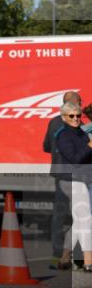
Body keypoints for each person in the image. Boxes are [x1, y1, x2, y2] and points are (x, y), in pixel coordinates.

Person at [45, 91, 82, 270]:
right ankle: (70, 256)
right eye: (79, 101)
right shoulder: (76, 123)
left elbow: (45, 146)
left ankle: (56, 256)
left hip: (59, 176)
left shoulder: (53, 122)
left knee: (58, 218)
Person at [55, 101, 92, 273]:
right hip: (72, 180)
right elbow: (75, 159)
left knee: (79, 220)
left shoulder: (81, 133)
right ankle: (88, 261)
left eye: (78, 115)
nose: (76, 118)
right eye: (72, 116)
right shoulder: (63, 135)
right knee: (85, 218)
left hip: (84, 179)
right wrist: (89, 146)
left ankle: (64, 258)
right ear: (64, 117)